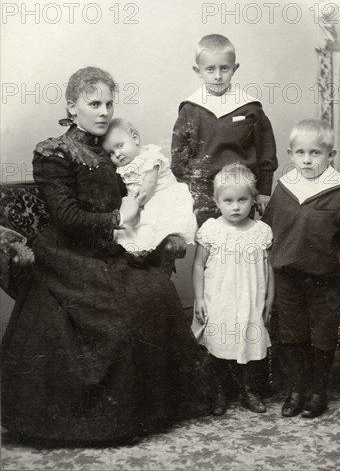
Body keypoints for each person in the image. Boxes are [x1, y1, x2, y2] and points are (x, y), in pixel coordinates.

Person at [1, 67, 211, 446]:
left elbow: (152, 188)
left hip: (110, 248)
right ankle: (101, 421)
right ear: (72, 106)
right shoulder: (54, 153)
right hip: (68, 253)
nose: (103, 111)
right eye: (93, 103)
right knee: (119, 314)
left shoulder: (113, 148)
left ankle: (155, 409)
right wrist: (117, 218)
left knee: (155, 295)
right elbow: (66, 217)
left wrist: (164, 230)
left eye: (109, 103)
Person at [262, 119, 340, 419]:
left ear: (330, 155)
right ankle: (297, 390)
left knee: (322, 336)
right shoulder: (285, 188)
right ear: (290, 154)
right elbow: (270, 228)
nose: (307, 160)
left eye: (316, 153)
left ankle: (318, 391)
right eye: (300, 153)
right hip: (288, 277)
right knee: (292, 334)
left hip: (325, 281)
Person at [191, 163, 274, 415]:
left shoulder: (261, 232)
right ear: (217, 201)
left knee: (250, 343)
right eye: (228, 201)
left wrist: (270, 298)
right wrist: (199, 298)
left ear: (253, 199)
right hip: (220, 300)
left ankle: (249, 390)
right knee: (218, 344)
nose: (236, 207)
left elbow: (270, 269)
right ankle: (220, 391)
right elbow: (197, 266)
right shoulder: (211, 230)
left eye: (242, 200)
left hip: (250, 300)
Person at [171, 34, 278, 226]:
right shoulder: (190, 110)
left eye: (224, 68)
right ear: (198, 71)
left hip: (241, 190)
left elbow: (266, 152)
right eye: (210, 69)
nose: (218, 76)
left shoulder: (249, 108)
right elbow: (179, 158)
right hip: (203, 194)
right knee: (210, 245)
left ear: (234, 68)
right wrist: (184, 192)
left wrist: (263, 191)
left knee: (241, 241)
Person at [102, 118, 197, 253]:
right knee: (126, 231)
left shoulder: (150, 157)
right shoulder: (122, 167)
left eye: (120, 146)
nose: (117, 154)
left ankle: (145, 248)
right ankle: (136, 251)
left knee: (150, 224)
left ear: (135, 138)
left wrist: (135, 206)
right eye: (111, 152)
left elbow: (149, 185)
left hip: (159, 197)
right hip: (139, 202)